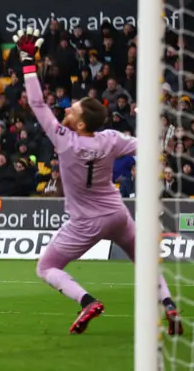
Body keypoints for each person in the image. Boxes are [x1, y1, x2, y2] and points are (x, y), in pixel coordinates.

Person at [14, 27, 183, 336]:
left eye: (72, 109)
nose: (66, 109)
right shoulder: (109, 139)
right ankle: (169, 303)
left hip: (84, 221)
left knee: (46, 267)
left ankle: (87, 301)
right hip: (117, 214)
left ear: (79, 124)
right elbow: (146, 145)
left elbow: (38, 104)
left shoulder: (65, 140)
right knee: (143, 261)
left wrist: (27, 63)